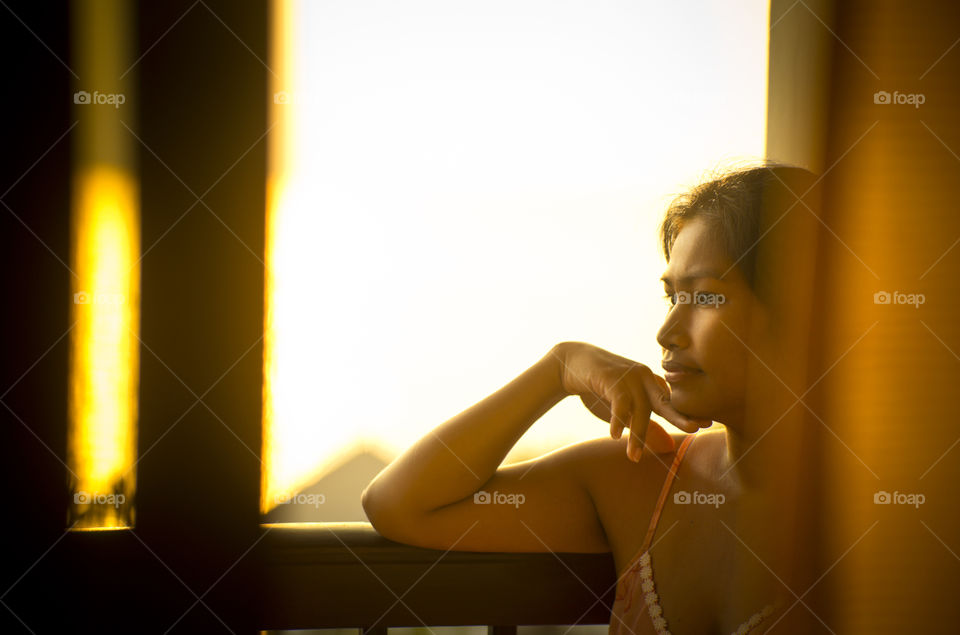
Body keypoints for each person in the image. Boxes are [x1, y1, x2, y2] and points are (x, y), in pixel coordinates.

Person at [362, 163, 820, 634]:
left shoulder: (866, 515)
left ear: (804, 310)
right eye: (672, 297)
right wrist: (559, 368)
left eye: (705, 298)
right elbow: (399, 504)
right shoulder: (639, 478)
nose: (667, 333)